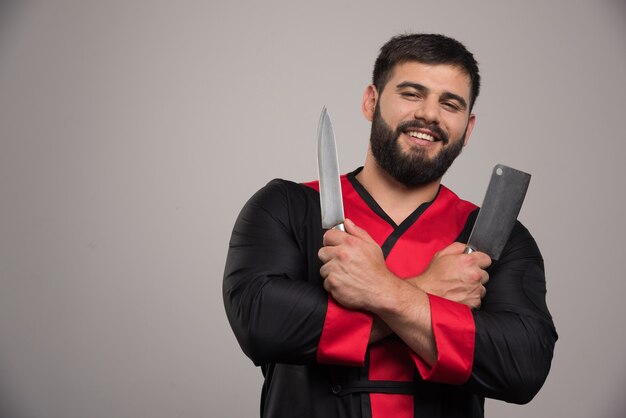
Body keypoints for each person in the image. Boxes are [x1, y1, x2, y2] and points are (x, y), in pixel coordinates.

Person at [223, 33, 557, 418]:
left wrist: (379, 290)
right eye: (412, 93)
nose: (429, 115)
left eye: (450, 104)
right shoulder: (287, 207)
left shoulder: (497, 237)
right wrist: (428, 292)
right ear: (371, 101)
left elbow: (523, 365)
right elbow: (262, 324)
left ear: (468, 129)